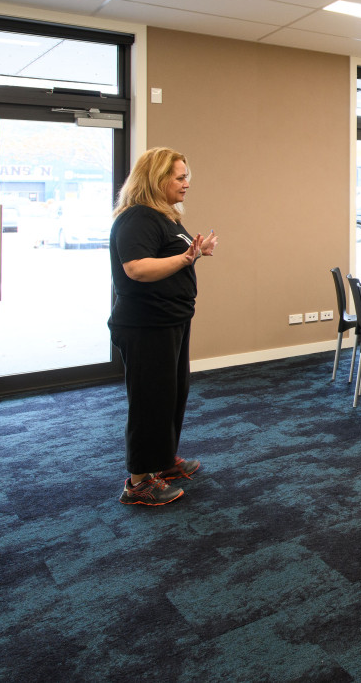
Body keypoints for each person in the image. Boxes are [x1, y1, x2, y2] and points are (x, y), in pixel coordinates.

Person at [110, 147, 218, 506]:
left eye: (187, 176)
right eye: (180, 177)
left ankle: (162, 461)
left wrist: (196, 253)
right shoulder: (138, 218)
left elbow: (171, 260)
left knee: (171, 395)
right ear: (157, 180)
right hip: (145, 324)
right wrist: (188, 256)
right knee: (149, 401)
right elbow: (137, 268)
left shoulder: (165, 217)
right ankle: (138, 481)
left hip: (171, 320)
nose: (187, 183)